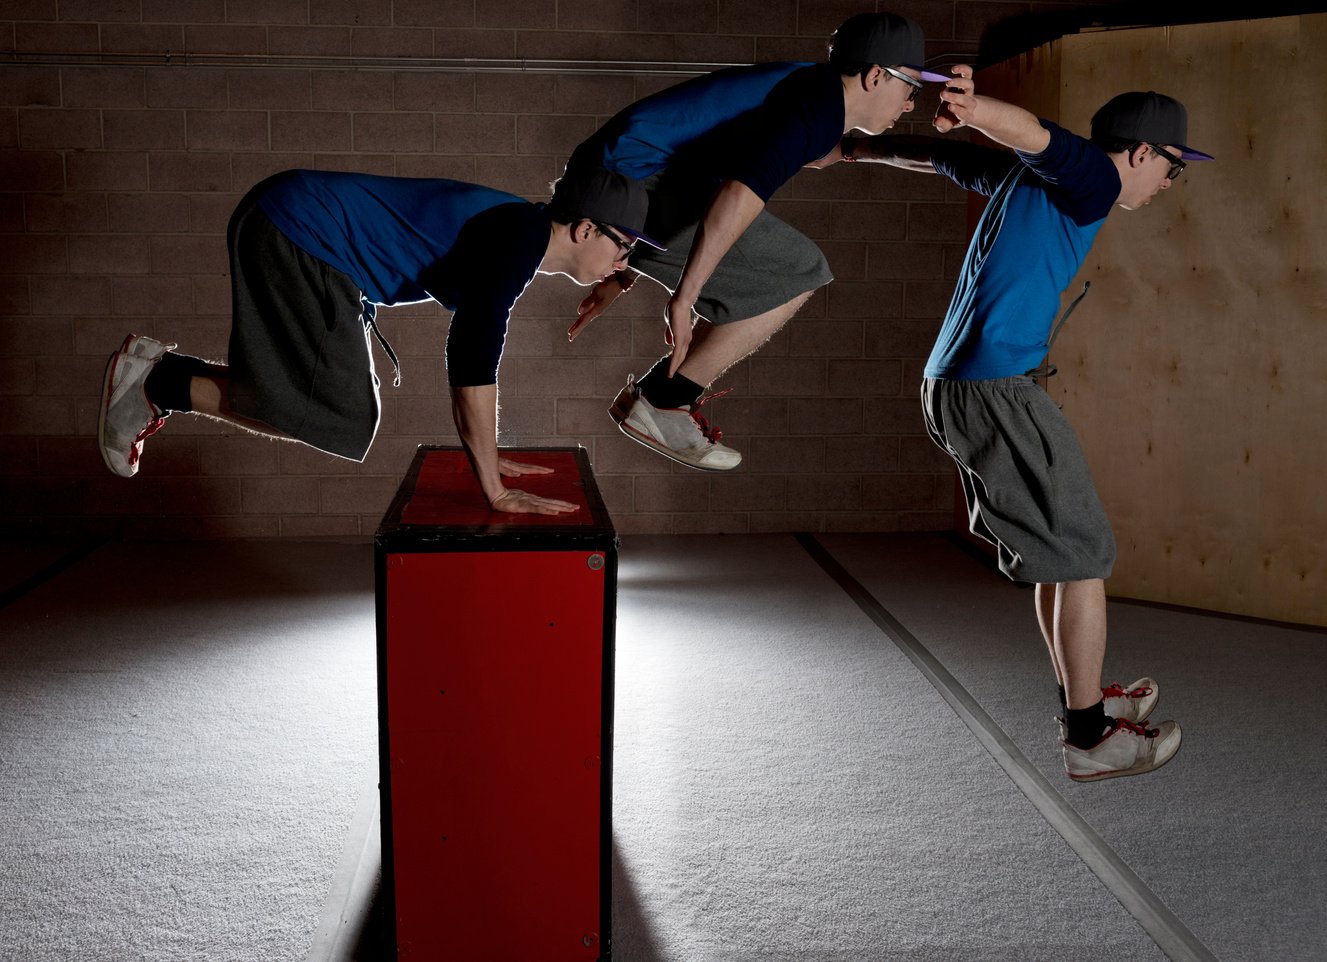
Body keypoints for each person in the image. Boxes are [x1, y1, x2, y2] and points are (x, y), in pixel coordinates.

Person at [842, 80, 1213, 780]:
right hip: (992, 391)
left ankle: (1083, 707)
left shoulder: (1028, 178)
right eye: (1172, 165)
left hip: (956, 387)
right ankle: (1089, 737)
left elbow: (936, 158)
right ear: (1138, 152)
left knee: (1057, 554)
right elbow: (1035, 133)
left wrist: (858, 150)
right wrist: (976, 111)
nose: (1170, 182)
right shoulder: (1089, 179)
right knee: (1085, 552)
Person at [96, 166, 661, 516]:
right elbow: (471, 358)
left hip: (301, 230)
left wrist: (488, 455)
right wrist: (492, 485)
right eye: (624, 246)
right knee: (337, 415)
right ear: (586, 229)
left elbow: (474, 355)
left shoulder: (519, 233)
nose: (622, 262)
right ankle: (160, 382)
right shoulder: (517, 241)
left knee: (333, 413)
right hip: (298, 229)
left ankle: (159, 377)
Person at [561, 12, 946, 471]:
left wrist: (624, 269)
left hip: (616, 181)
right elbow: (736, 195)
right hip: (626, 187)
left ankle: (665, 397)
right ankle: (663, 403)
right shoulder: (816, 108)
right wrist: (683, 298)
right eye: (912, 89)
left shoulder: (808, 93)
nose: (909, 106)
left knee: (782, 269)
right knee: (799, 270)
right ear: (875, 76)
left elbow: (844, 154)